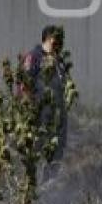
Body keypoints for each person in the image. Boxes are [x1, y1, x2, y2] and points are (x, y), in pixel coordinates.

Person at [21, 25, 70, 161]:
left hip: (58, 114)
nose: (59, 45)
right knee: (39, 148)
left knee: (57, 150)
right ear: (48, 39)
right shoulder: (34, 56)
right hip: (41, 113)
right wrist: (30, 110)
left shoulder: (59, 61)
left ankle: (52, 180)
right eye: (56, 40)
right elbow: (24, 83)